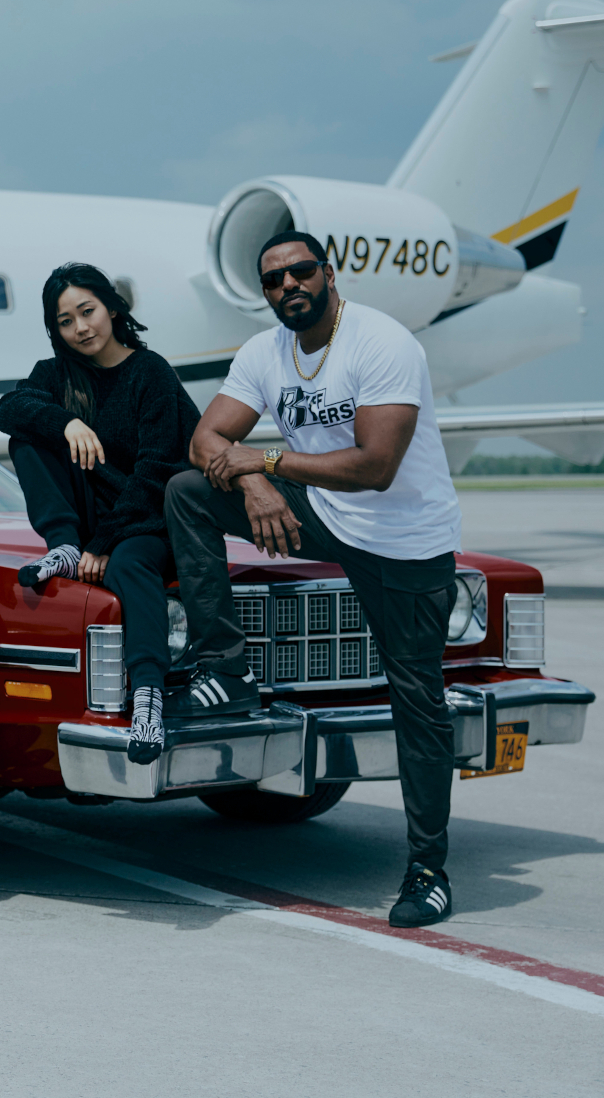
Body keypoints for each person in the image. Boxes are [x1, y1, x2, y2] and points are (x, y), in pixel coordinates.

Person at [168, 230, 464, 929]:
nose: (288, 286)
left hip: (404, 538)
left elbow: (374, 466)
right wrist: (250, 479)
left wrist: (262, 466)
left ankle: (428, 869)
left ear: (329, 275)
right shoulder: (264, 351)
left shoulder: (381, 342)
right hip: (322, 509)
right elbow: (204, 441)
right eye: (273, 279)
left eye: (301, 271)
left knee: (417, 696)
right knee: (186, 490)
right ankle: (226, 665)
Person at [0, 263, 201, 767]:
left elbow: (156, 471)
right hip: (89, 525)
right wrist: (65, 421)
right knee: (27, 433)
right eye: (65, 321)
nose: (80, 328)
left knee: (131, 565)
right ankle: (60, 545)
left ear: (112, 307)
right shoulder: (58, 375)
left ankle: (148, 700)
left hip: (149, 517)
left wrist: (103, 543)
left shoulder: (150, 373)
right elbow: (8, 408)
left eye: (87, 312)